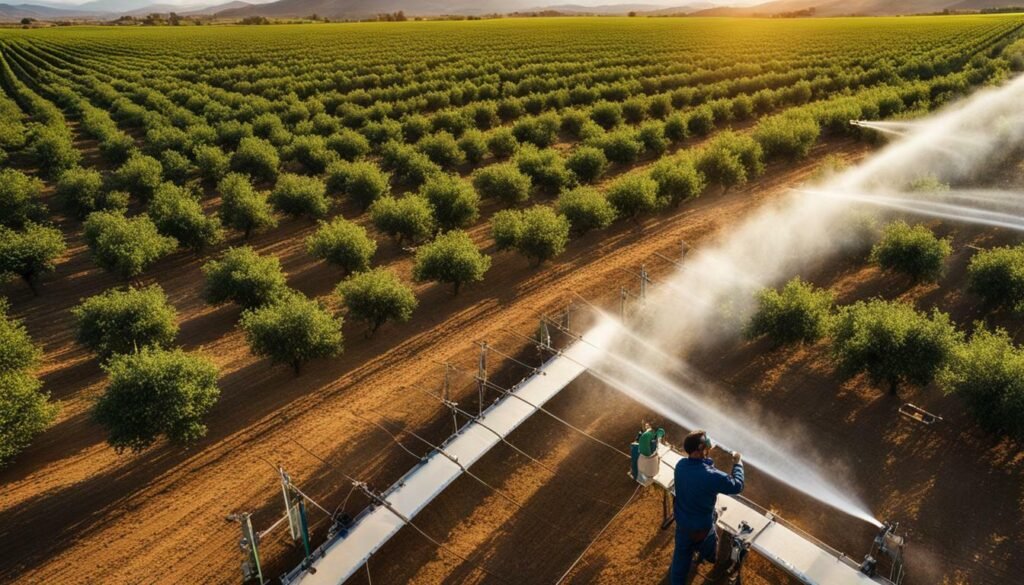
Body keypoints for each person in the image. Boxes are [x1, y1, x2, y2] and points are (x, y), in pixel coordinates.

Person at [669, 429, 744, 584]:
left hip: (682, 526)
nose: (708, 447)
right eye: (705, 445)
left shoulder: (681, 465)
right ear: (699, 450)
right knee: (713, 555)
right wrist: (738, 463)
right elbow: (737, 485)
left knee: (679, 565)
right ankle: (711, 558)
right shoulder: (710, 475)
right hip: (702, 530)